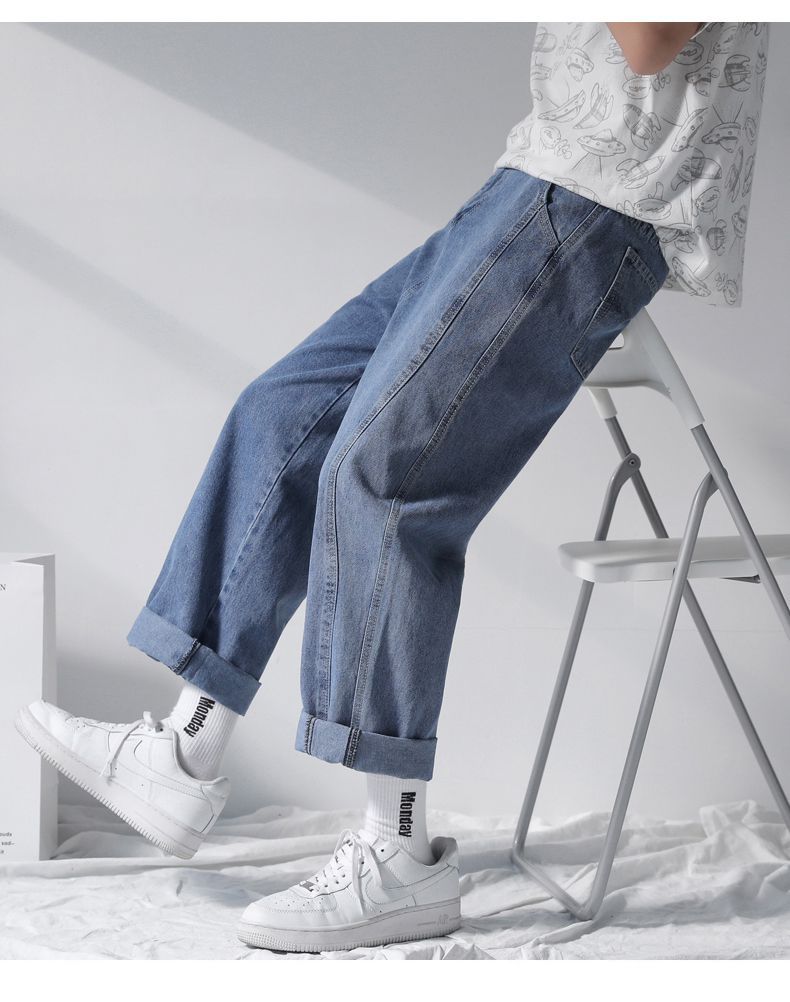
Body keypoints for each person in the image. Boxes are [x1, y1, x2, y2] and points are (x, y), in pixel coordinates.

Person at [16, 21, 769, 953]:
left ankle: (399, 853)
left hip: (605, 201)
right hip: (530, 176)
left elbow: (651, 39)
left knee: (387, 479)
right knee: (283, 416)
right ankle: (183, 748)